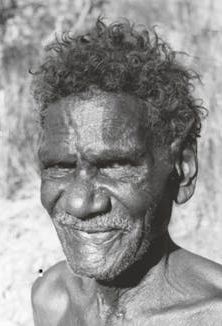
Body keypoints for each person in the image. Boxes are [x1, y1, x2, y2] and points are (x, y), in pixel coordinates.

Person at [30, 19, 222, 325]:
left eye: (114, 166)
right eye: (60, 167)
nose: (79, 205)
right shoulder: (51, 297)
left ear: (182, 172)